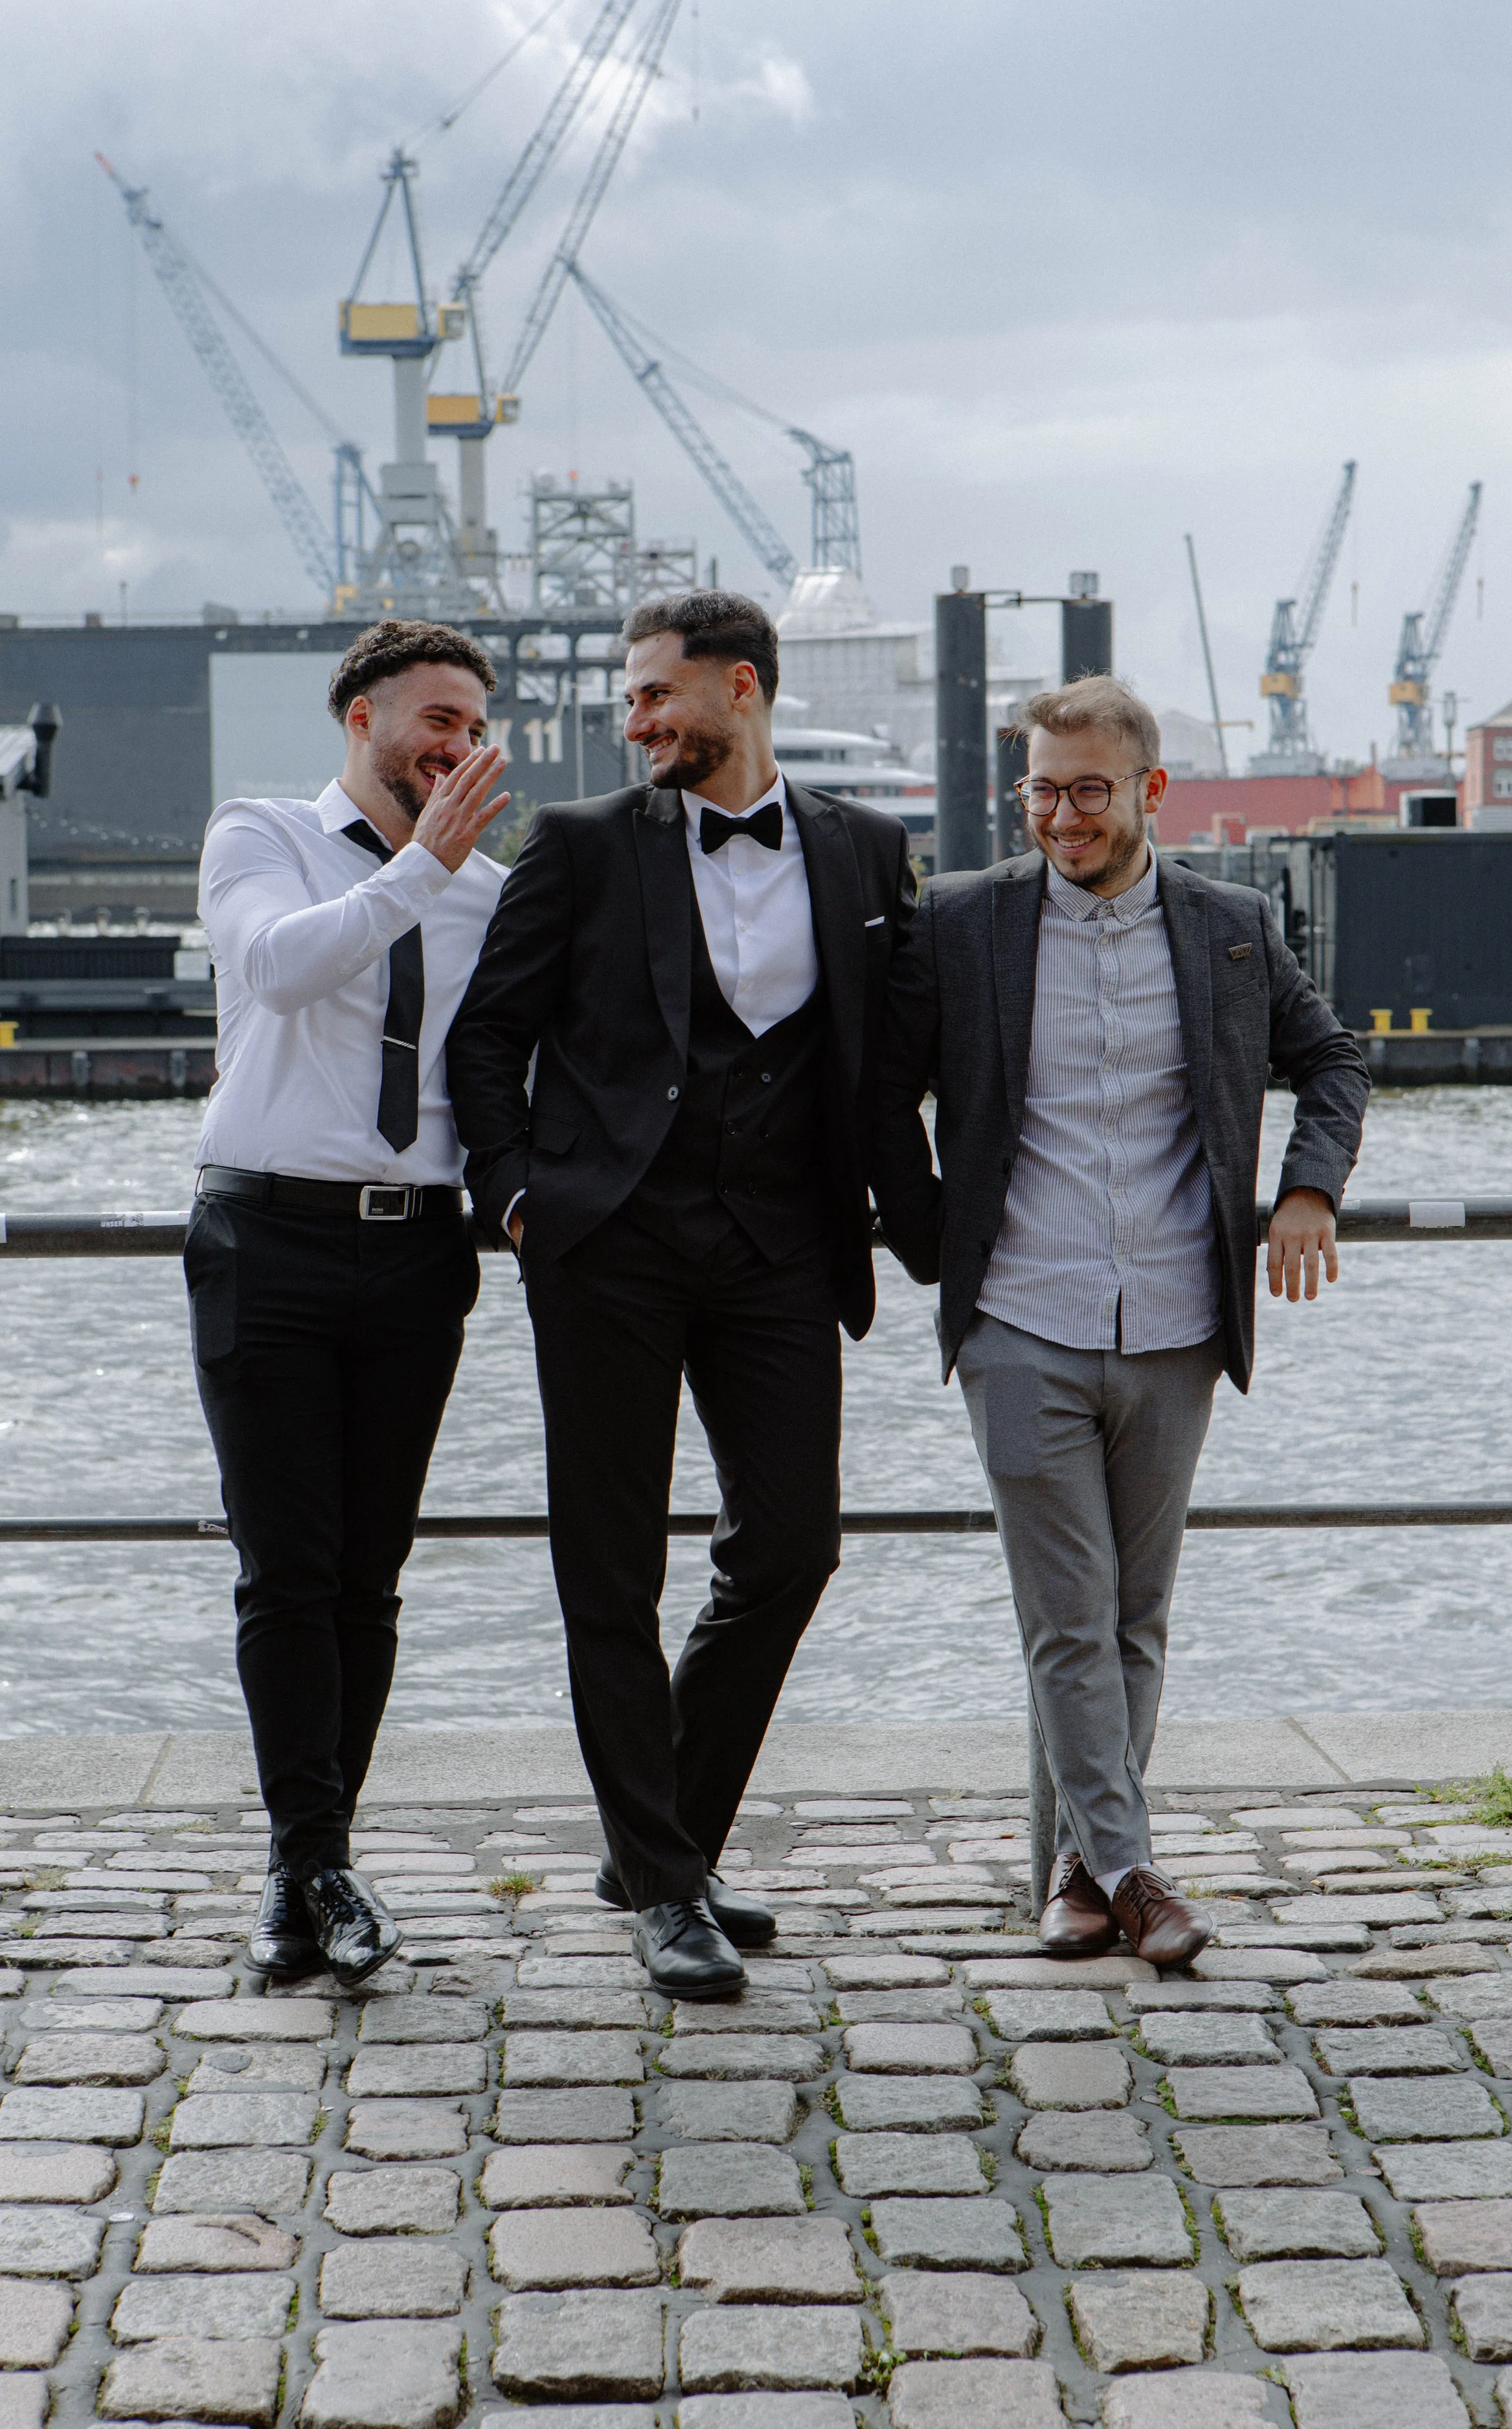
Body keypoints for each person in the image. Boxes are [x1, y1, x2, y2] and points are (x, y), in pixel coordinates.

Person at [447, 589, 916, 1997]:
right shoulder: (583, 845)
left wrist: (943, 1231)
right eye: (630, 702)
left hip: (781, 1249)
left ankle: (663, 1841)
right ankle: (662, 1882)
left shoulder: (865, 849)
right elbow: (489, 1038)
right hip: (606, 1246)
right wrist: (516, 1198)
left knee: (789, 1548)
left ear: (743, 690)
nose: (637, 720)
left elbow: (888, 1064)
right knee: (610, 1567)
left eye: (659, 695)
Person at [873, 676, 1368, 1966]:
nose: (1061, 815)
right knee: (1065, 1615)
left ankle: (1072, 1874)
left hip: (1174, 1326)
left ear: (1151, 791)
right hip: (1017, 1321)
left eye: (1088, 789)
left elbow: (1331, 1060)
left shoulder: (1229, 928)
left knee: (1132, 1616)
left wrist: (1307, 1187)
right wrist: (937, 1254)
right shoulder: (963, 922)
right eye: (1040, 788)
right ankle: (1138, 1874)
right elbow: (879, 1094)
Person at [186, 619, 510, 1989]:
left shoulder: (489, 891)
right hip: (266, 1238)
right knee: (286, 1569)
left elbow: (508, 1075)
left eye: (473, 725)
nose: (455, 744)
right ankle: (299, 1867)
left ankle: (320, 1856)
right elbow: (279, 966)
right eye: (433, 717)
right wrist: (418, 870)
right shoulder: (258, 835)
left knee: (369, 1576)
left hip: (417, 1250)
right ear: (361, 719)